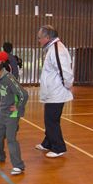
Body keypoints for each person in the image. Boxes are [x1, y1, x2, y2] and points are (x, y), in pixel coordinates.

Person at [0, 60, 28, 175]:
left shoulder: (9, 79)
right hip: (3, 112)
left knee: (11, 138)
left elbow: (24, 94)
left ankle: (18, 165)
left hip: (12, 114)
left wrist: (18, 107)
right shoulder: (0, 78)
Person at [35, 25, 74, 158]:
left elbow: (65, 72)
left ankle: (59, 147)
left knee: (51, 120)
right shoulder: (51, 48)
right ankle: (48, 143)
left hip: (57, 92)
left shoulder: (58, 49)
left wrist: (68, 85)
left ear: (47, 37)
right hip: (52, 92)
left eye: (39, 38)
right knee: (49, 119)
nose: (38, 40)